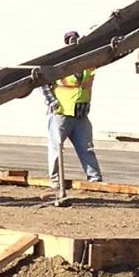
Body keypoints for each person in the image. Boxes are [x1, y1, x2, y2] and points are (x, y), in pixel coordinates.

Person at [44, 30, 103, 194]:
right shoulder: (59, 63)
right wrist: (53, 102)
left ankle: (95, 180)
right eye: (71, 41)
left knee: (87, 148)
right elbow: (44, 83)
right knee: (56, 149)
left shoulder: (89, 63)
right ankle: (56, 181)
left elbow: (112, 56)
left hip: (81, 114)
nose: (74, 44)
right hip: (61, 113)